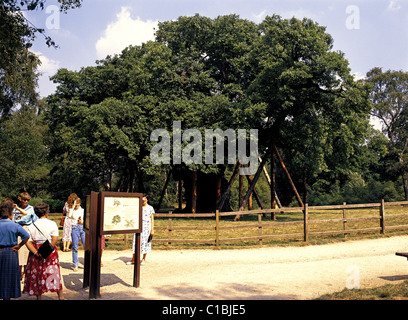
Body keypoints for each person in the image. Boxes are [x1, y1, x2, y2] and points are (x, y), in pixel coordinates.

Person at [23, 202, 64, 300]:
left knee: (37, 273)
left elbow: (27, 242)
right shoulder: (52, 224)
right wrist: (47, 250)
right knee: (54, 271)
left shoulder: (32, 225)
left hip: (36, 249)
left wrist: (36, 252)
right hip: (49, 249)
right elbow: (54, 239)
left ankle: (39, 297)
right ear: (46, 212)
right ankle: (60, 296)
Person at [0, 199, 30, 300]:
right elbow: (26, 236)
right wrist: (19, 245)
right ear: (10, 214)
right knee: (8, 276)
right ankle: (7, 296)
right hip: (11, 252)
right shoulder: (14, 225)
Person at [13, 192, 37, 282]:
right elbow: (13, 219)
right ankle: (19, 273)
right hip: (18, 229)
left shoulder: (31, 209)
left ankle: (25, 274)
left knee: (26, 253)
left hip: (27, 229)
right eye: (24, 199)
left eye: (28, 200)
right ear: (20, 199)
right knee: (19, 253)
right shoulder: (15, 209)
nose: (26, 201)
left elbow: (35, 221)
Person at [127, 194, 155, 265]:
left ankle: (143, 259)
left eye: (144, 200)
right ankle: (133, 259)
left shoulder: (150, 208)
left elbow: (152, 219)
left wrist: (152, 229)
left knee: (145, 242)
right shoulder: (138, 207)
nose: (143, 201)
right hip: (138, 226)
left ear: (147, 200)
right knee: (135, 242)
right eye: (142, 200)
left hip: (146, 227)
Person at [68, 197, 85, 271]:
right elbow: (69, 216)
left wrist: (82, 222)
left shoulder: (83, 210)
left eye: (78, 203)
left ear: (80, 203)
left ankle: (87, 264)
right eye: (75, 203)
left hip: (83, 228)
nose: (77, 205)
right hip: (75, 228)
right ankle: (75, 264)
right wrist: (73, 206)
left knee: (86, 246)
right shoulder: (72, 210)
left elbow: (87, 220)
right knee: (75, 247)